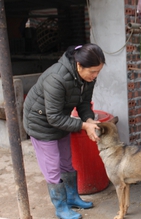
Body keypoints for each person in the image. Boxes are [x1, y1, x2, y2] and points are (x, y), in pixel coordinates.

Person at [23, 43, 105, 219]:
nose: (95, 75)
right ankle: (61, 207)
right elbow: (52, 117)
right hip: (41, 122)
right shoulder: (56, 77)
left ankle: (73, 198)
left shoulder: (87, 78)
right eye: (92, 71)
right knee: (52, 167)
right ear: (79, 65)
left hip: (61, 120)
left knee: (66, 162)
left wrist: (89, 120)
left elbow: (83, 104)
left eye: (98, 71)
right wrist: (83, 126)